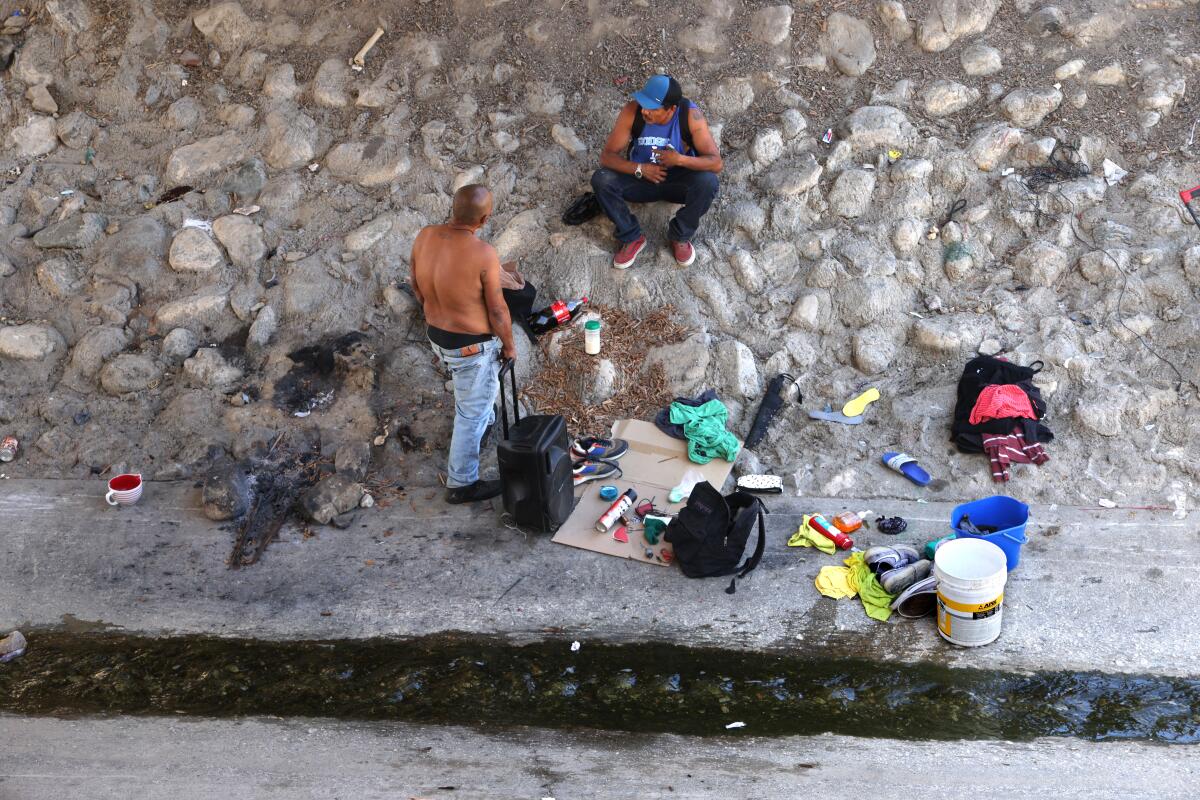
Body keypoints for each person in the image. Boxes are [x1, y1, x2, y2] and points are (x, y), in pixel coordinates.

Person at [410, 184, 517, 504]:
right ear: (484, 219)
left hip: (437, 337)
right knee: (470, 413)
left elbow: (415, 284)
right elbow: (498, 310)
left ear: (452, 208)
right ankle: (461, 483)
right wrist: (509, 345)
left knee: (474, 400)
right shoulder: (483, 253)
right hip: (471, 347)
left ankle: (481, 426)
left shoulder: (425, 235)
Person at [590, 74, 723, 270]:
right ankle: (631, 237)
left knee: (708, 182)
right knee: (601, 179)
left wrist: (679, 159)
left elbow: (716, 163)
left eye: (652, 108)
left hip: (678, 182)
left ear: (672, 109)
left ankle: (680, 236)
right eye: (644, 104)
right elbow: (607, 157)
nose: (645, 111)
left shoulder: (690, 115)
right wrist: (639, 169)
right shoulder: (632, 111)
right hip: (641, 179)